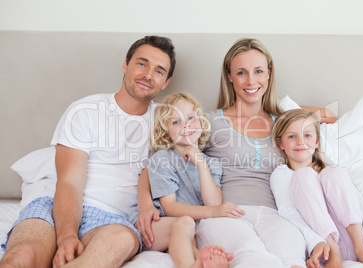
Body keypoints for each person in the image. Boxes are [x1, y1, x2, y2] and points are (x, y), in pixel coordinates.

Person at [136, 38, 338, 267]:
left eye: (258, 71)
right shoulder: (209, 122)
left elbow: (321, 174)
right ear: (229, 76)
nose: (251, 81)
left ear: (269, 74)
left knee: (291, 259)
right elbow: (156, 163)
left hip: (276, 216)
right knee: (251, 257)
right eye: (241, 72)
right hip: (226, 216)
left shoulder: (286, 126)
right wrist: (145, 204)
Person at [0, 35, 176, 268]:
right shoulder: (86, 110)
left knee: (119, 240)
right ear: (125, 65)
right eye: (142, 63)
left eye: (159, 71)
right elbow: (69, 181)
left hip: (113, 219)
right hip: (56, 204)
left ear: (165, 82)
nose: (148, 75)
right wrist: (67, 235)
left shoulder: (167, 122)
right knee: (19, 258)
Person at [270, 109, 363, 268]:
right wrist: (316, 242)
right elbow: (289, 213)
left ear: (317, 141)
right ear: (280, 143)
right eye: (292, 136)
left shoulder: (331, 172)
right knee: (303, 175)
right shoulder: (282, 174)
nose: (300, 141)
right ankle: (334, 253)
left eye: (307, 135)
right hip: (324, 247)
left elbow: (360, 205)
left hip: (354, 241)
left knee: (334, 173)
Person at [144, 93, 240, 268]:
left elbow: (214, 202)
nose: (185, 125)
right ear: (165, 131)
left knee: (193, 240)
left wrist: (201, 164)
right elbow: (170, 208)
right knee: (185, 223)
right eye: (175, 122)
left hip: (188, 231)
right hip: (158, 229)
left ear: (201, 122)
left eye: (190, 118)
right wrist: (212, 212)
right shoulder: (163, 159)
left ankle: (203, 262)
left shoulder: (212, 163)